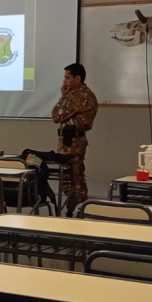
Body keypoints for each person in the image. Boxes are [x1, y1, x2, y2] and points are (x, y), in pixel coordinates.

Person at [52, 62, 98, 212]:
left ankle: (79, 210)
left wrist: (63, 98)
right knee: (69, 178)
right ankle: (76, 210)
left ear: (78, 78)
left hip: (74, 142)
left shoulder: (81, 96)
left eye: (67, 78)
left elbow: (57, 116)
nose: (65, 81)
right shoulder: (73, 95)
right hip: (68, 140)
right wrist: (65, 97)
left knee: (74, 179)